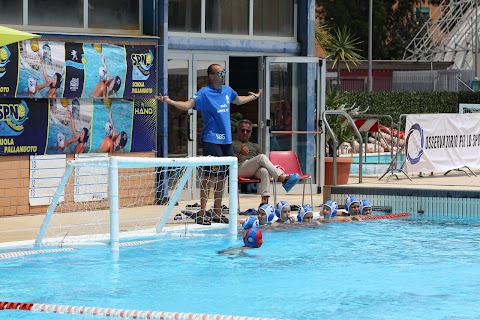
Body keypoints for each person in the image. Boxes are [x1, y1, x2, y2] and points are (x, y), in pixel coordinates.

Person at [155, 63, 262, 225]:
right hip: (212, 139)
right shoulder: (204, 93)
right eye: (219, 73)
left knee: (221, 177)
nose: (223, 75)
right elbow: (187, 105)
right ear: (211, 76)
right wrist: (170, 101)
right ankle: (202, 212)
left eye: (224, 72)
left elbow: (239, 100)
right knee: (210, 176)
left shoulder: (227, 90)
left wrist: (254, 97)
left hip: (226, 141)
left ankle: (217, 212)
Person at [233, 119, 300, 206]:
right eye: (243, 130)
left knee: (264, 170)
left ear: (250, 133)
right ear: (238, 130)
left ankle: (264, 202)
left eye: (248, 131)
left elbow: (262, 161)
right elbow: (229, 160)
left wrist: (254, 160)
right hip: (239, 168)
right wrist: (240, 153)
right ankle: (281, 178)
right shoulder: (232, 144)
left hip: (252, 169)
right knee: (261, 157)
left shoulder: (255, 146)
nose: (245, 132)